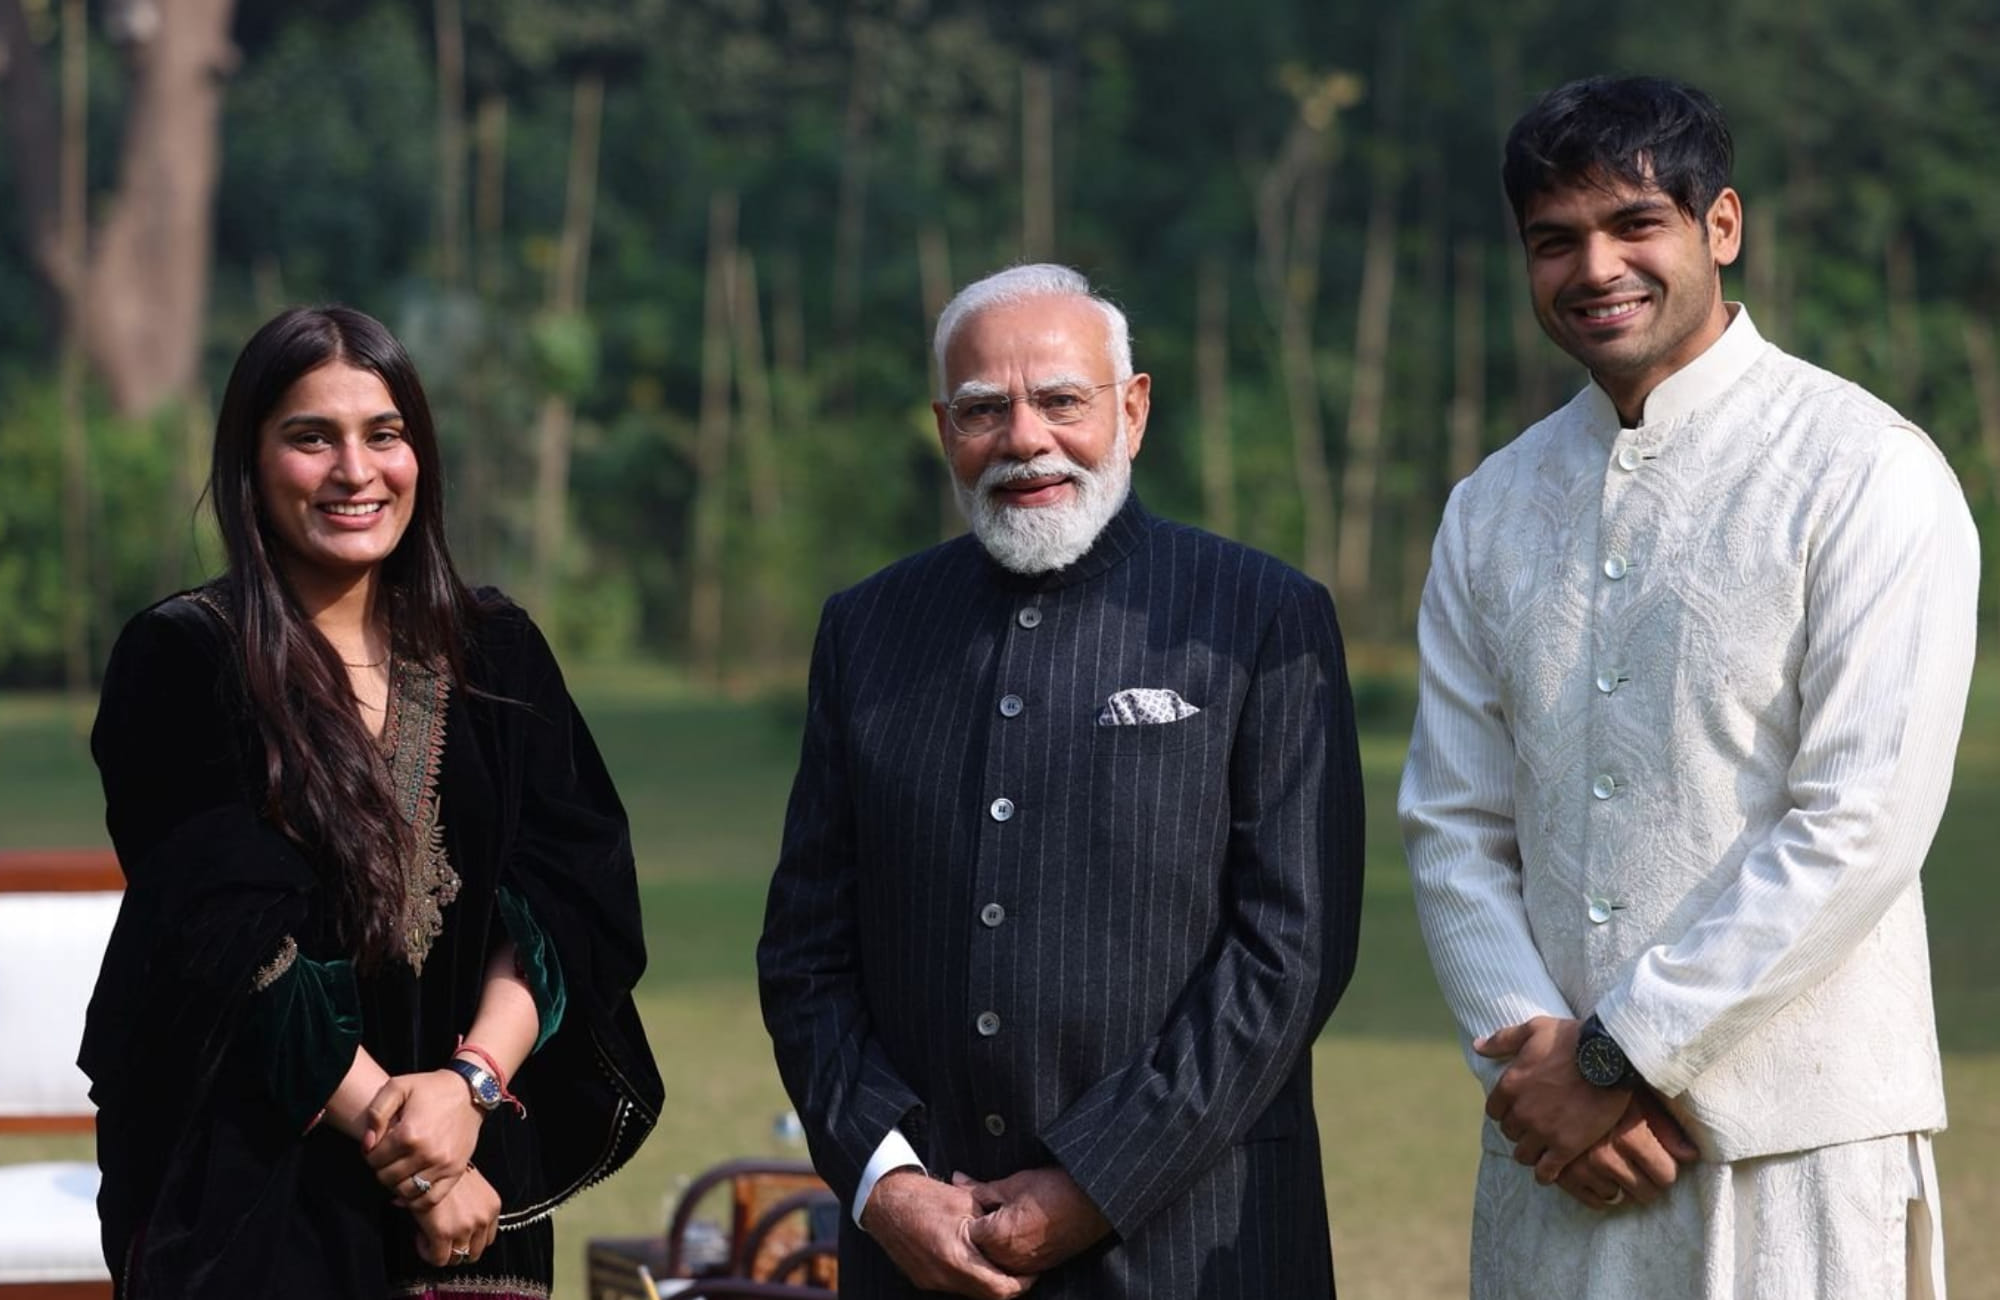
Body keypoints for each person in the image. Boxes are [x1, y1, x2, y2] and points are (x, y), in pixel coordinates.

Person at [1400, 75, 1978, 1298]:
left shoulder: (1863, 471)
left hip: (1798, 1146)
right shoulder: (1489, 508)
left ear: (1719, 228)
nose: (1592, 267)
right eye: (1552, 241)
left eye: (1631, 225)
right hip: (1556, 1156)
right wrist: (1540, 1068)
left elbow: (1856, 821)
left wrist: (1615, 1056)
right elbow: (1453, 825)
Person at [757, 263, 1365, 1299]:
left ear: (1131, 408)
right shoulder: (866, 629)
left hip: (1197, 1247)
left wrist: (1096, 1179)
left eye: (1061, 400)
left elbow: (1289, 952)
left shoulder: (1256, 613)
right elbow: (807, 951)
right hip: (921, 1257)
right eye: (983, 409)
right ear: (942, 428)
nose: (1024, 438)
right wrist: (885, 1182)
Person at [81, 306, 663, 1299]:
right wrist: (417, 1151)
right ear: (251, 464)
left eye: (383, 434)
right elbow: (229, 945)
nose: (356, 470)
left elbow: (571, 895)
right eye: (312, 437)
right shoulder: (185, 659)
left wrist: (469, 1088)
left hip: (479, 1172)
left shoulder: (496, 647)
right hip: (256, 1184)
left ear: (419, 454)